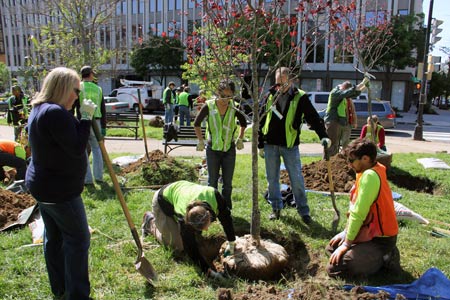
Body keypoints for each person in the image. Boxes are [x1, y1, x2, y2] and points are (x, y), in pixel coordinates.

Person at [25, 67, 97, 299]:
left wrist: (77, 116)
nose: (77, 96)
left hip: (43, 186)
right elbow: (77, 148)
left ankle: (60, 288)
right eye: (75, 90)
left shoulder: (40, 109)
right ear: (64, 88)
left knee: (54, 238)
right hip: (60, 191)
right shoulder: (55, 112)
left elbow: (64, 140)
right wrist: (85, 117)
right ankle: (77, 295)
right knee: (78, 240)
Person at [258, 67, 330, 223]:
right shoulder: (270, 95)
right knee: (272, 179)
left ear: (291, 81)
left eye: (283, 83)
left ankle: (303, 211)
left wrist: (323, 136)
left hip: (290, 145)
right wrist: (260, 144)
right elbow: (261, 119)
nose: (280, 87)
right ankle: (276, 208)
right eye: (278, 83)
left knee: (296, 179)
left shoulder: (300, 97)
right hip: (270, 144)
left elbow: (313, 118)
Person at [326, 138, 399, 278]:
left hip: (381, 240)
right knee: (331, 248)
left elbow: (358, 214)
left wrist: (347, 243)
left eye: (352, 160)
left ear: (365, 158)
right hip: (369, 231)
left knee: (334, 269)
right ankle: (368, 256)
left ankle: (386, 256)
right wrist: (345, 233)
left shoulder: (370, 176)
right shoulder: (366, 171)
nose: (349, 164)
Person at [141, 180, 236, 279]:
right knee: (177, 245)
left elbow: (226, 218)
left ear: (208, 213)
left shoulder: (214, 196)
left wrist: (231, 242)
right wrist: (208, 271)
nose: (207, 230)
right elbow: (190, 248)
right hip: (162, 200)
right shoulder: (185, 220)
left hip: (182, 189)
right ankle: (150, 222)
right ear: (189, 223)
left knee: (192, 237)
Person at [193, 79, 247, 209]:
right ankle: (212, 206)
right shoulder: (209, 105)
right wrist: (200, 140)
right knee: (212, 181)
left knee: (227, 183)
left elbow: (243, 122)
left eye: (229, 96)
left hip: (229, 149)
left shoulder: (235, 106)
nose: (225, 100)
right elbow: (197, 123)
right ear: (218, 93)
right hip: (213, 149)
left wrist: (240, 138)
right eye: (223, 96)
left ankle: (226, 208)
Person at [74, 66, 107, 185]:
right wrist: (103, 127)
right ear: (91, 74)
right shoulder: (98, 89)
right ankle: (99, 177)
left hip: (82, 121)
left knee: (83, 150)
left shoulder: (79, 87)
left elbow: (74, 104)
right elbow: (103, 108)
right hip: (96, 122)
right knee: (97, 149)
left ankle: (87, 179)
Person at [324, 79, 368, 156]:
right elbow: (349, 92)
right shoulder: (336, 93)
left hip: (338, 121)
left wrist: (364, 85)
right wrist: (362, 82)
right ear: (343, 88)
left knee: (338, 143)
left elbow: (353, 93)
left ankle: (335, 161)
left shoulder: (343, 95)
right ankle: (328, 162)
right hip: (332, 121)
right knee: (332, 143)